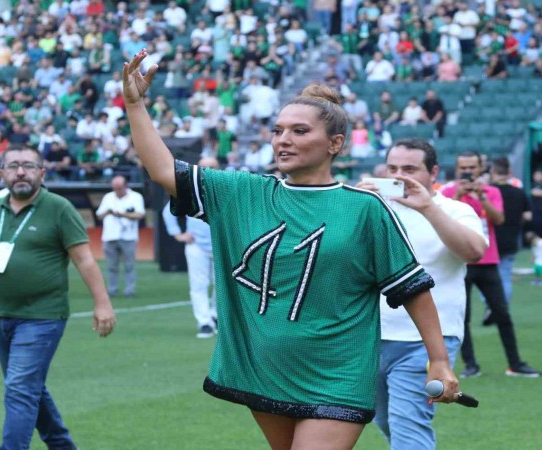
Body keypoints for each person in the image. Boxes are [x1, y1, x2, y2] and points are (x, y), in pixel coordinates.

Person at [123, 50, 460, 450]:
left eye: (299, 131)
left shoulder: (364, 208)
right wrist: (134, 104)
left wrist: (439, 360)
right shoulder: (242, 193)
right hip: (265, 369)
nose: (283, 140)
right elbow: (164, 170)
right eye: (278, 130)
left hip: (339, 372)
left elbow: (411, 288)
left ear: (335, 143)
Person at [0, 147, 116, 450]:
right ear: (2, 174)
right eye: (13, 166)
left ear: (42, 173)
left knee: (20, 388)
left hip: (42, 316)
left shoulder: (59, 208)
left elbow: (84, 259)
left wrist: (102, 302)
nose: (20, 172)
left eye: (29, 166)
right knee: (28, 387)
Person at [358, 139, 486, 450]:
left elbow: (474, 252)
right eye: (392, 168)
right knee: (386, 421)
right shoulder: (371, 207)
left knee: (408, 426)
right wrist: (350, 206)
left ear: (434, 172)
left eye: (410, 169)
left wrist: (428, 208)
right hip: (369, 336)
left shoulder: (455, 209)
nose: (398, 176)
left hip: (427, 341)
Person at [442, 152, 542, 379]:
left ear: (481, 169)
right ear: (457, 170)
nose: (468, 172)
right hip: (460, 262)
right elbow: (443, 219)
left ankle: (515, 363)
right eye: (463, 167)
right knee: (462, 317)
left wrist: (481, 197)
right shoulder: (448, 193)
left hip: (488, 261)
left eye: (472, 167)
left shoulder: (492, 191)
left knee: (502, 313)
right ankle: (470, 365)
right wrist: (458, 195)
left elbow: (499, 220)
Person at [162, 157, 219, 339]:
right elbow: (168, 211)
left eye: (212, 167)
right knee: (198, 284)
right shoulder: (190, 190)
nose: (208, 171)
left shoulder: (226, 188)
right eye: (204, 167)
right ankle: (204, 322)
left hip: (221, 245)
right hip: (196, 245)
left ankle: (216, 315)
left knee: (222, 284)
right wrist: (177, 234)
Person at [490, 157, 531, 307]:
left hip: (490, 241)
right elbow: (528, 216)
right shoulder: (518, 192)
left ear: (493, 171)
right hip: (511, 239)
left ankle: (491, 307)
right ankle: (503, 308)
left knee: (486, 278)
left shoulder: (488, 191)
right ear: (510, 172)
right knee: (505, 276)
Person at [96, 175, 145, 297]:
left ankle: (130, 290)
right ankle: (112, 289)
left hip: (128, 236)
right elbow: (99, 215)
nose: (117, 190)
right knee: (111, 265)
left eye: (119, 188)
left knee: (129, 265)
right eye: (115, 188)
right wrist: (108, 212)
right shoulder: (108, 197)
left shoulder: (136, 197)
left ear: (125, 186)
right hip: (110, 236)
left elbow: (139, 214)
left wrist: (122, 214)